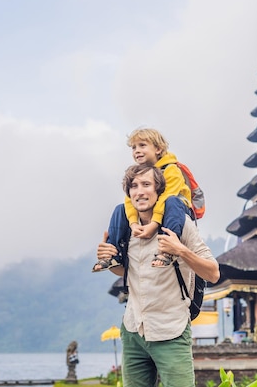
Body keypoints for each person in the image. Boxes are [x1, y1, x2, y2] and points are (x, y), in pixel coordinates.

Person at [96, 163, 220, 387]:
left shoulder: (180, 225)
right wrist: (109, 257)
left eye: (146, 184)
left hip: (170, 331)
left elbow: (213, 273)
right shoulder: (126, 227)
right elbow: (128, 272)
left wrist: (180, 250)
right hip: (133, 330)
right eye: (134, 186)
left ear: (158, 191)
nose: (140, 191)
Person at [92, 127, 193, 272]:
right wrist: (133, 224)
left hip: (175, 210)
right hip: (154, 211)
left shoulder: (171, 169)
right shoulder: (140, 173)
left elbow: (166, 198)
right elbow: (129, 200)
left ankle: (167, 249)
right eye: (133, 148)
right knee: (121, 208)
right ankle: (112, 254)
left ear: (158, 149)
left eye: (142, 145)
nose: (137, 151)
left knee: (171, 201)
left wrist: (153, 224)